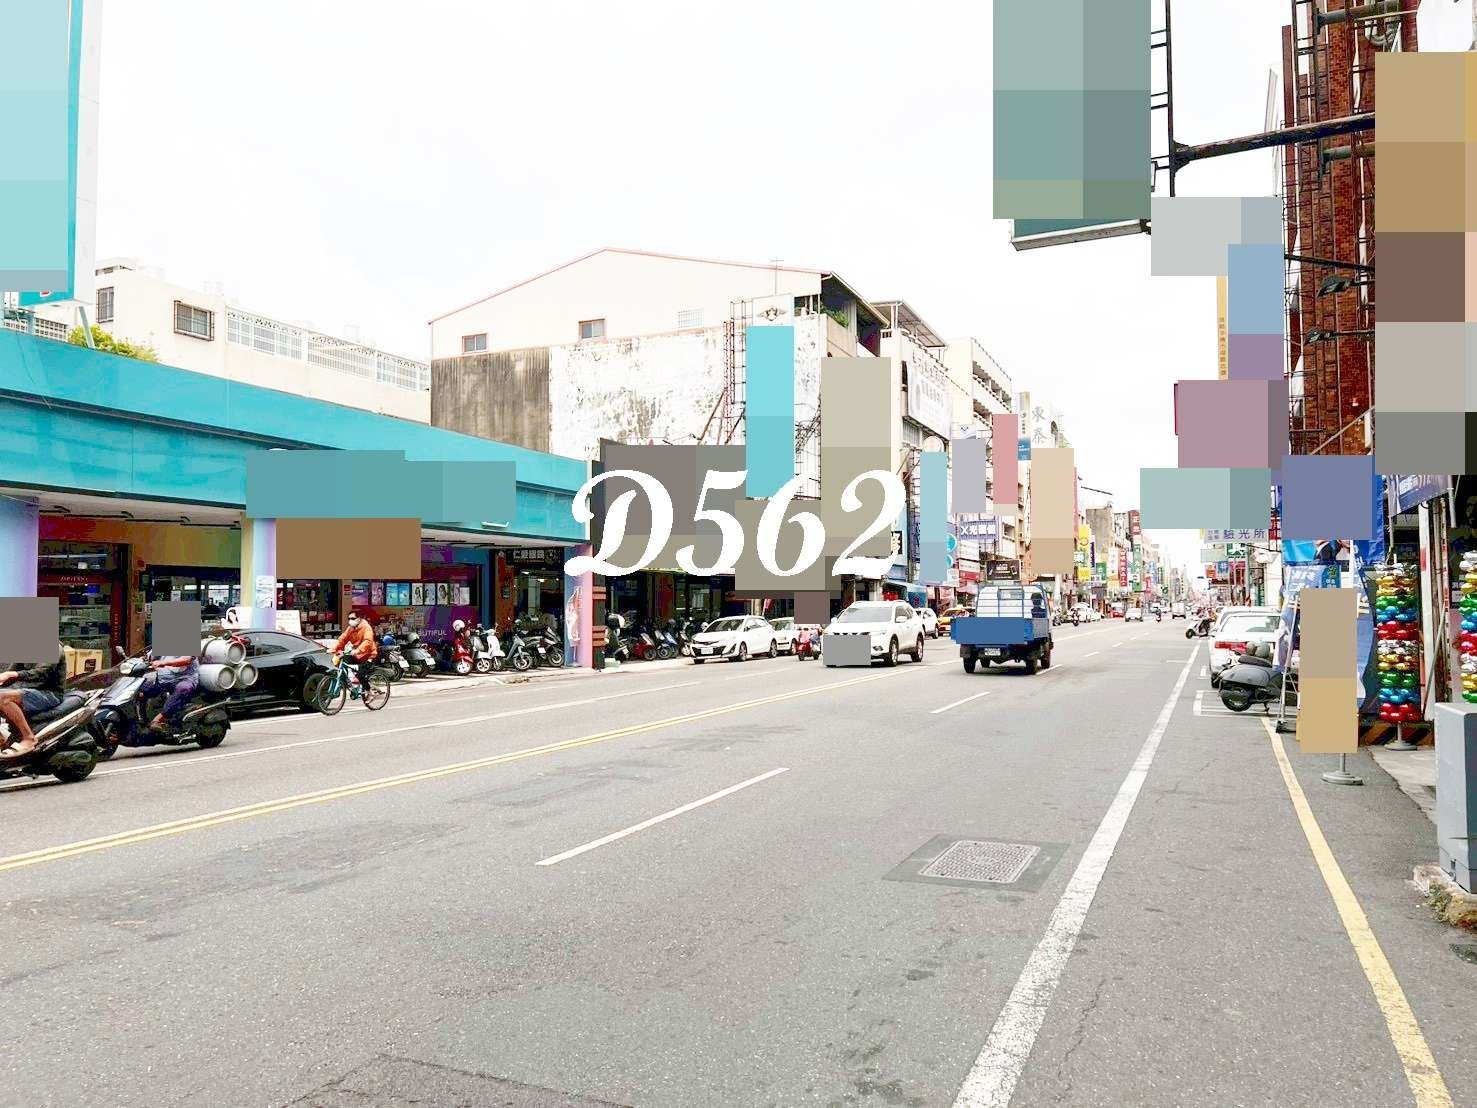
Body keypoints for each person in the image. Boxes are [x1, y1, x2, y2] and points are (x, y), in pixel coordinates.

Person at [0, 642, 67, 758]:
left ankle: (29, 738)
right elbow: (11, 673)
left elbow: (42, 673)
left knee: (3, 698)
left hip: (49, 694)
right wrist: (5, 677)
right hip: (27, 690)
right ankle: (2, 741)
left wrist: (13, 674)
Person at [140, 649, 201, 734]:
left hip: (185, 677)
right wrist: (142, 659)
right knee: (142, 687)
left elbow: (186, 660)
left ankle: (159, 720)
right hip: (164, 676)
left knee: (183, 688)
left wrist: (164, 663)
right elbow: (150, 657)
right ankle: (141, 717)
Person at [333, 611, 378, 689]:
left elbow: (367, 641)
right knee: (342, 661)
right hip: (357, 655)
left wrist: (358, 650)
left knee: (360, 675)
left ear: (359, 619)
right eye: (349, 618)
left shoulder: (366, 627)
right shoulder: (350, 628)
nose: (350, 620)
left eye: (353, 618)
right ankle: (348, 685)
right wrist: (334, 649)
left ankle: (368, 690)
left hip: (368, 655)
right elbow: (342, 639)